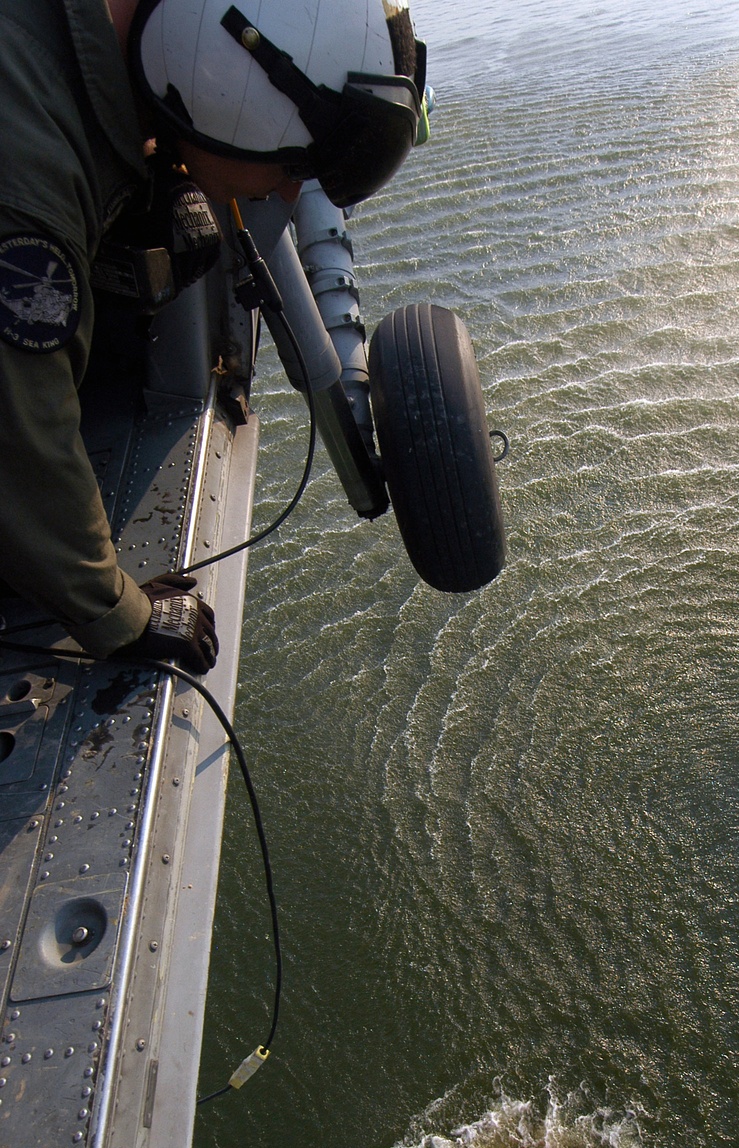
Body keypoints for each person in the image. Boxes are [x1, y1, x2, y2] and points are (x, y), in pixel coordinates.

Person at [0, 0, 425, 671]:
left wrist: (164, 169)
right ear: (215, 91)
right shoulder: (25, 187)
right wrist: (118, 611)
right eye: (289, 169)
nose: (288, 195)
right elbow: (16, 431)